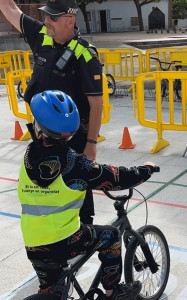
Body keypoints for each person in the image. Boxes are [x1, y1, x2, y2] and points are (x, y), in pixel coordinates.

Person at [17, 90, 159, 299]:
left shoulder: (28, 156)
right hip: (65, 239)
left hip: (34, 242)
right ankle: (113, 291)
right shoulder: (75, 164)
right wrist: (146, 169)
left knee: (50, 287)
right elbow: (116, 177)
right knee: (112, 236)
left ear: (38, 126)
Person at [0, 0, 101, 224]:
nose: (46, 21)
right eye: (46, 16)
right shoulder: (41, 36)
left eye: (52, 18)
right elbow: (9, 9)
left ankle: (83, 231)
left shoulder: (85, 54)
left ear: (70, 20)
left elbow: (96, 104)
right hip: (43, 134)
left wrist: (91, 144)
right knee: (44, 185)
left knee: (76, 186)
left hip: (73, 139)